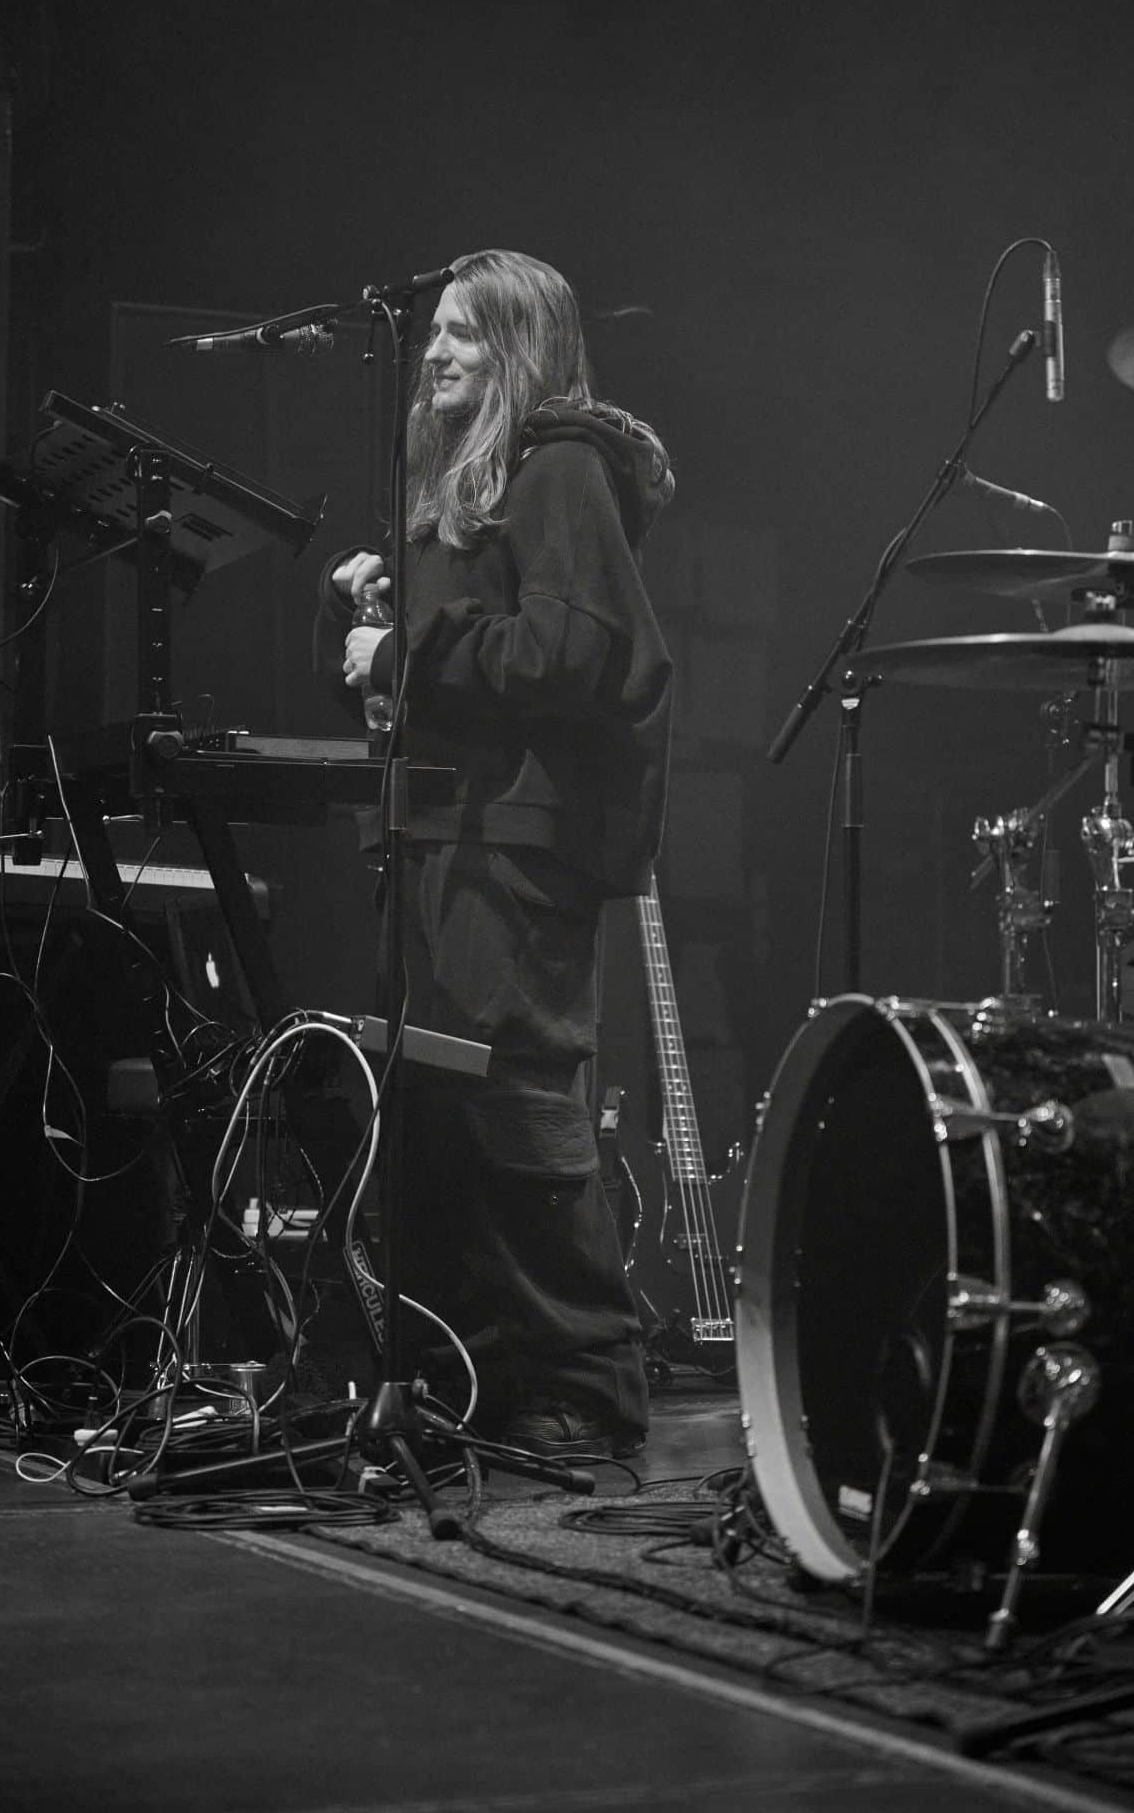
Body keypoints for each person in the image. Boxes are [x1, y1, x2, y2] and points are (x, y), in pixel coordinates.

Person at [313, 248, 675, 1458]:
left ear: (519, 345)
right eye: (431, 330)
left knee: (517, 1103)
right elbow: (437, 669)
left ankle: (585, 1383)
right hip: (437, 827)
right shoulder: (458, 489)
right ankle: (475, 1374)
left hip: (516, 840)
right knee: (438, 1115)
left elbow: (578, 651)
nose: (433, 351)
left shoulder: (561, 466)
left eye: (463, 331)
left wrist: (408, 652)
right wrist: (366, 624)